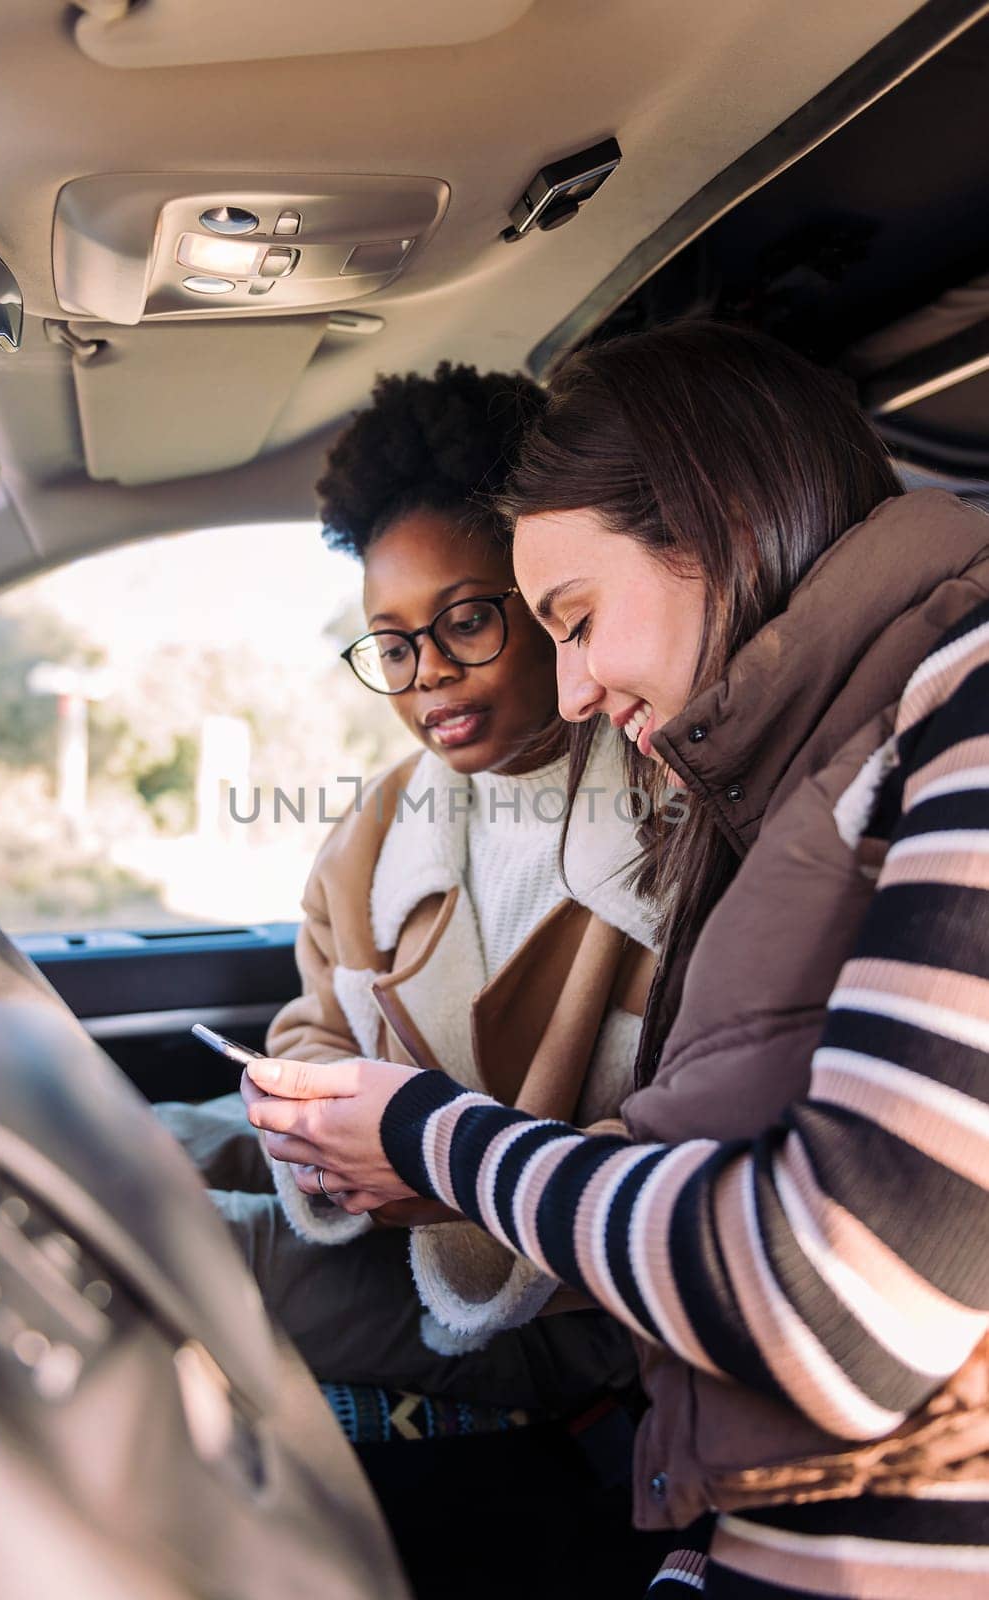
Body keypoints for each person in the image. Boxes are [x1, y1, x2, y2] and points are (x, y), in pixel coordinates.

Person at [245, 322, 989, 1598]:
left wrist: (434, 1143)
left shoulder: (941, 714)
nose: (577, 686)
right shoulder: (795, 784)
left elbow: (841, 1301)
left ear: (714, 524)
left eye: (568, 619)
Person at [161, 361, 657, 1414]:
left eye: (464, 621)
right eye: (390, 643)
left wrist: (431, 1156)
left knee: (182, 1252)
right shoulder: (381, 823)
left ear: (545, 600)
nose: (425, 669)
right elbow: (311, 1018)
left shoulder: (669, 822)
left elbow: (686, 1145)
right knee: (143, 1143)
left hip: (566, 1293)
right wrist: (306, 1116)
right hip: (386, 1196)